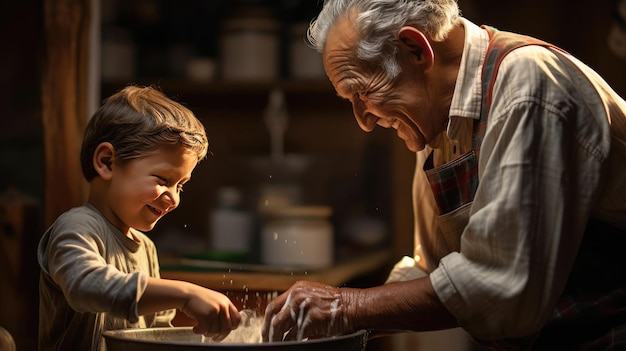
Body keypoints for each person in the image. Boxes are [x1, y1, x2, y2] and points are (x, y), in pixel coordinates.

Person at [261, 0, 626, 349]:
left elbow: (502, 287)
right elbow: (431, 269)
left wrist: (347, 307)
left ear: (416, 49)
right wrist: (339, 321)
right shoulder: (437, 123)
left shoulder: (527, 85)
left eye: (363, 92)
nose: (364, 121)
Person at [37, 86, 241, 351]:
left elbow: (155, 337)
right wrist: (186, 294)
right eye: (163, 180)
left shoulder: (146, 249)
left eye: (180, 185)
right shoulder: (77, 228)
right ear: (107, 162)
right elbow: (85, 286)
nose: (174, 198)